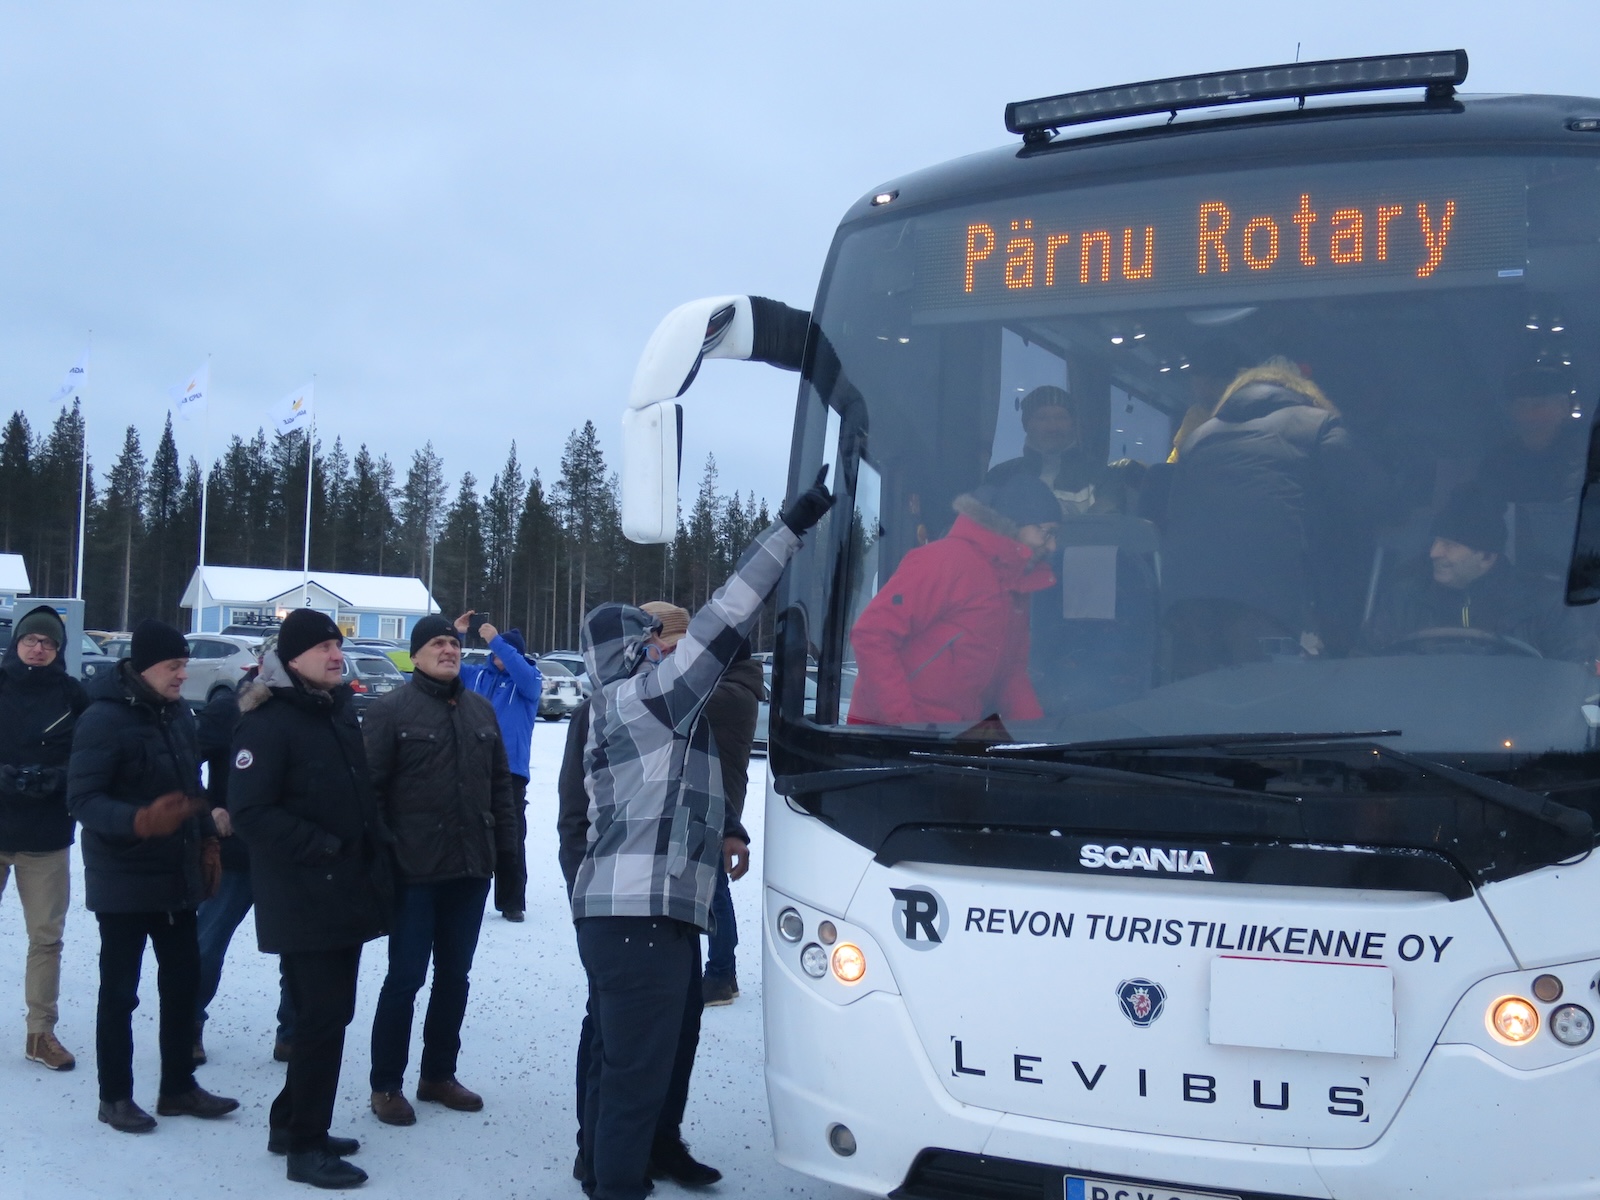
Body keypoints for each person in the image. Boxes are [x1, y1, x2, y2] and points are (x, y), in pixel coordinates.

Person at [572, 467, 833, 1200]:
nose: (666, 649)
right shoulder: (645, 700)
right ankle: (616, 1185)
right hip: (638, 918)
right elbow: (723, 618)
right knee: (634, 1072)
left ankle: (606, 1166)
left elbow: (686, 791)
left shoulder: (630, 710)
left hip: (642, 915)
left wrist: (730, 827)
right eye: (654, 641)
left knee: (631, 1056)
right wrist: (790, 528)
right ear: (632, 651)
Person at [230, 609, 394, 1189]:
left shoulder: (332, 710)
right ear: (292, 658)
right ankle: (305, 1147)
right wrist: (322, 847)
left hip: (343, 889)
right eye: (324, 647)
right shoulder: (268, 722)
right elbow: (250, 812)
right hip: (302, 895)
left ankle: (289, 1122)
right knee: (321, 1020)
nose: (336, 655)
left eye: (337, 645)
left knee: (327, 1015)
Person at [67, 618, 238, 1133]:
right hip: (122, 878)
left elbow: (190, 788)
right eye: (173, 666)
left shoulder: (178, 714)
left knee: (183, 984)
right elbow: (83, 799)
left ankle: (178, 1088)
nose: (183, 674)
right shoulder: (103, 718)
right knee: (121, 992)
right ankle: (115, 1097)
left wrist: (206, 837)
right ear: (143, 668)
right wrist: (139, 821)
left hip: (176, 876)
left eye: (185, 664)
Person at [363, 614, 518, 1126]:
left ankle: (437, 1075)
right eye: (437, 643)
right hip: (413, 873)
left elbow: (500, 789)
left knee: (455, 977)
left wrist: (507, 862)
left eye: (453, 642)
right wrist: (381, 861)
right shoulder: (390, 711)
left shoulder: (480, 710)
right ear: (415, 655)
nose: (448, 650)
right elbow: (369, 795)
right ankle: (386, 1084)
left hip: (469, 871)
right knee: (405, 979)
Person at [1159, 357, 1384, 677]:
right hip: (1272, 593)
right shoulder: (1321, 425)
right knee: (1274, 694)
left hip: (1188, 596)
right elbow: (1364, 500)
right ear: (1302, 389)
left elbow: (1172, 514)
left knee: (1197, 696)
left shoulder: (1198, 438)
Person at [849, 470, 1059, 729]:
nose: (1052, 546)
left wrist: (1038, 735)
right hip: (886, 736)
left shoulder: (1016, 585)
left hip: (948, 737)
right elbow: (872, 635)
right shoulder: (945, 561)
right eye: (1047, 532)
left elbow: (1011, 675)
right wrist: (908, 726)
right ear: (1017, 522)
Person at [191, 650, 295, 1066]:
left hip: (289, 853)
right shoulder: (229, 709)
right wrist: (208, 809)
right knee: (205, 946)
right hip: (235, 854)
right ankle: (186, 1027)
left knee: (299, 951)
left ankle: (293, 1034)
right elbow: (182, 762)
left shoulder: (313, 710)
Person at [0, 605, 89, 1072]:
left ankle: (41, 1033)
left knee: (46, 938)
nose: (38, 648)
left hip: (46, 836)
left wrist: (56, 777)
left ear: (59, 649)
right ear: (17, 643)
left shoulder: (73, 695)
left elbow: (91, 754)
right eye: (31, 640)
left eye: (48, 642)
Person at [1366, 485, 1596, 663]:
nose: (1434, 553)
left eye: (1449, 545)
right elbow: (1366, 664)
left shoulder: (1547, 604)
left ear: (1487, 557)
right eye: (1435, 542)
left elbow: (1575, 678)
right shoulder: (1403, 599)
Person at [693, 630, 763, 1007]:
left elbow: (682, 701)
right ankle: (725, 974)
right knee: (713, 886)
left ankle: (720, 974)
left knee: (713, 891)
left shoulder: (732, 694)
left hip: (719, 799)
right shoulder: (734, 686)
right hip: (715, 794)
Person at [453, 611, 538, 922]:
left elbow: (521, 670)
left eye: (507, 651)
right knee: (467, 831)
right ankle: (463, 895)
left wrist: (496, 640)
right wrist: (457, 634)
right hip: (471, 765)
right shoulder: (477, 676)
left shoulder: (528, 682)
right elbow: (448, 666)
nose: (500, 656)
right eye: (497, 651)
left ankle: (511, 901)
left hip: (510, 771)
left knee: (510, 836)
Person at [987, 384, 1125, 516]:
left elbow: (1107, 527)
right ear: (1026, 424)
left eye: (1061, 418)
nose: (1053, 427)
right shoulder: (1001, 476)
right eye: (1042, 418)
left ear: (1073, 424)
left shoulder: (1102, 477)